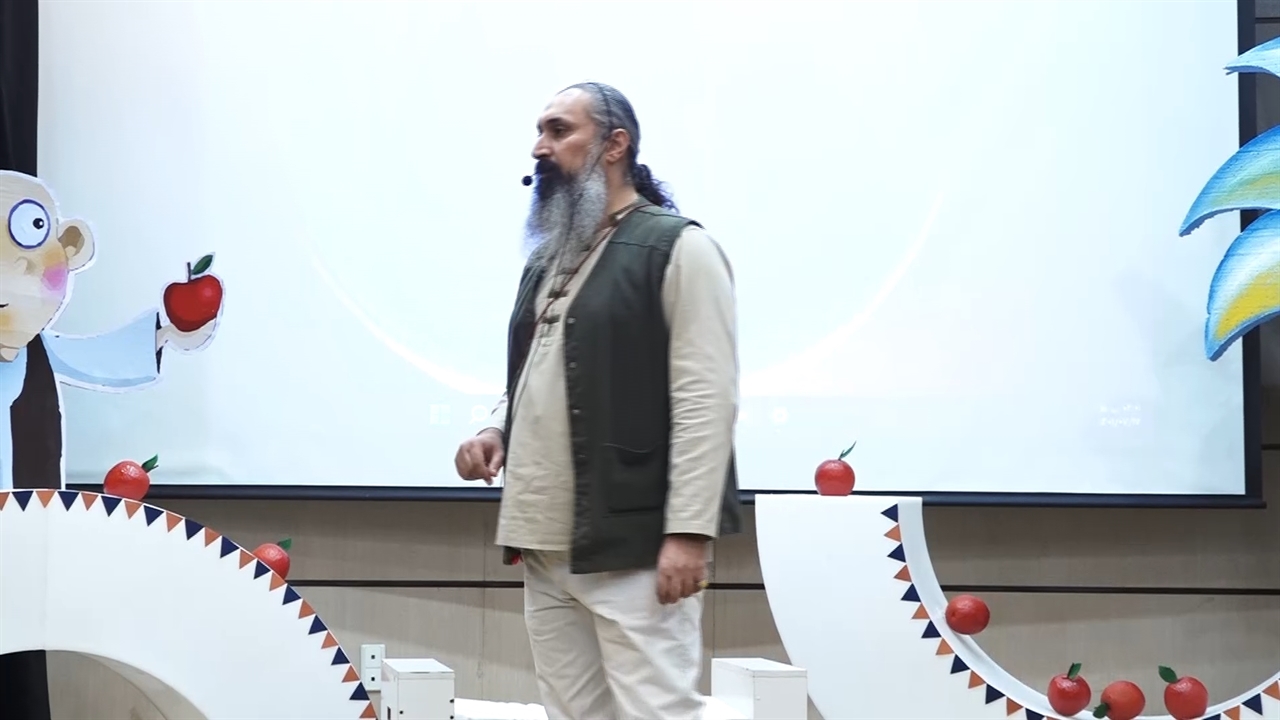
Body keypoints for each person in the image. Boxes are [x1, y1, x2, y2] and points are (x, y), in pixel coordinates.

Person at [454, 82, 742, 720]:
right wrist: (496, 431)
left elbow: (706, 399)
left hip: (635, 544)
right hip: (544, 541)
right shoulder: (548, 259)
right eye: (540, 132)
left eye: (559, 131)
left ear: (615, 145)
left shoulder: (679, 248)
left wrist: (688, 534)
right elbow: (538, 371)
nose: (540, 147)